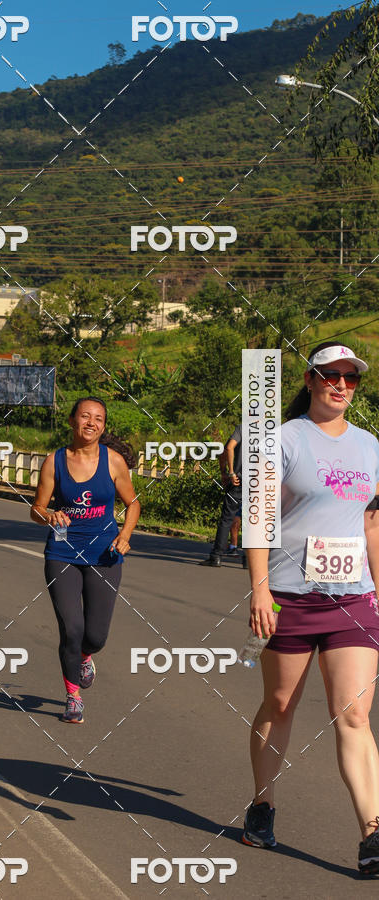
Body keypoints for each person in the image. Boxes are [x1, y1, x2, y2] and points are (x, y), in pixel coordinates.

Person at [242, 341, 379, 877]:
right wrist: (259, 590)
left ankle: (372, 831)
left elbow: (372, 524)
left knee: (354, 713)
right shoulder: (280, 441)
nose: (341, 385)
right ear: (309, 379)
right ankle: (263, 802)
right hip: (289, 597)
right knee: (279, 706)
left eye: (351, 378)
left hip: (353, 599)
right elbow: (259, 521)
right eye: (331, 375)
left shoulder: (371, 446)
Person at [31, 397, 141, 724]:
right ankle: (73, 697)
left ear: (103, 426)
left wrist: (125, 535)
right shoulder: (54, 462)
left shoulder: (114, 462)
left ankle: (85, 656)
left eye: (98, 419)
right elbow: (35, 509)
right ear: (72, 420)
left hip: (104, 554)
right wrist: (49, 514)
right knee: (72, 627)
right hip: (62, 553)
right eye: (85, 416)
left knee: (95, 636)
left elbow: (133, 504)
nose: (91, 423)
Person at [200, 424, 244, 567]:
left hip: (238, 482)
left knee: (226, 519)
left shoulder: (243, 428)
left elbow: (228, 448)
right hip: (259, 484)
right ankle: (249, 561)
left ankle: (216, 556)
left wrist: (227, 472)